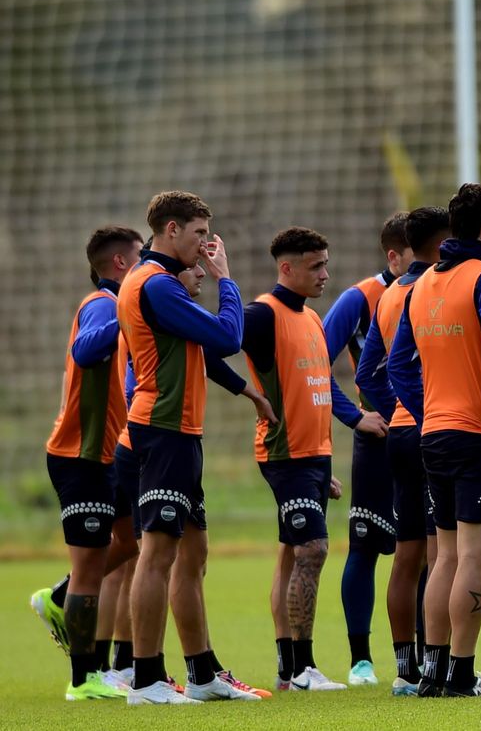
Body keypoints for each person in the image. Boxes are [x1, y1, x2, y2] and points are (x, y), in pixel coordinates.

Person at [388, 183, 481, 698]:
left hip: (434, 437)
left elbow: (397, 366)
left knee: (445, 557)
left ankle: (433, 672)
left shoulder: (422, 283)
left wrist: (428, 410)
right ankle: (463, 675)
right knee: (474, 559)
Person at [118, 191, 253, 705]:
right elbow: (227, 337)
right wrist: (226, 280)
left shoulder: (160, 282)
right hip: (163, 431)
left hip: (181, 433)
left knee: (192, 555)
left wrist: (247, 392)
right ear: (170, 230)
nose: (205, 244)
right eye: (199, 233)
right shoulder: (156, 285)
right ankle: (146, 678)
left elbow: (201, 352)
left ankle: (201, 673)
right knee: (157, 555)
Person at [242, 227, 387, 692]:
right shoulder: (262, 314)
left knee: (291, 553)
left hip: (312, 458)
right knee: (313, 549)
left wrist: (324, 462)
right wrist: (247, 392)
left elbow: (316, 389)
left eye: (326, 264)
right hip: (285, 455)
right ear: (287, 268)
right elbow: (209, 343)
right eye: (315, 265)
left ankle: (288, 670)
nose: (325, 274)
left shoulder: (310, 318)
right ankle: (304, 668)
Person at [38, 226, 144, 701]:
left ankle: (59, 597)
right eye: (139, 256)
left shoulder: (115, 305)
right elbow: (84, 351)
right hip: (80, 457)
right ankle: (83, 679)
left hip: (107, 454)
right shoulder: (104, 304)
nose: (145, 266)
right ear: (120, 263)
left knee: (130, 542)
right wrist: (125, 316)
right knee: (90, 565)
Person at [356, 206, 451, 696]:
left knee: (407, 554)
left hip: (400, 434)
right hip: (437, 429)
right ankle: (442, 667)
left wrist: (397, 410)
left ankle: (404, 669)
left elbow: (368, 372)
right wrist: (425, 407)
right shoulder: (437, 287)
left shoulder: (390, 294)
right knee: (443, 553)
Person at [321, 212, 411, 686]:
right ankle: (361, 661)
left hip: (427, 438)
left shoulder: (437, 290)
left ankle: (424, 655)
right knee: (365, 546)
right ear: (394, 256)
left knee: (426, 548)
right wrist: (355, 417)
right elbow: (315, 362)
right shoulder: (359, 299)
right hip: (377, 441)